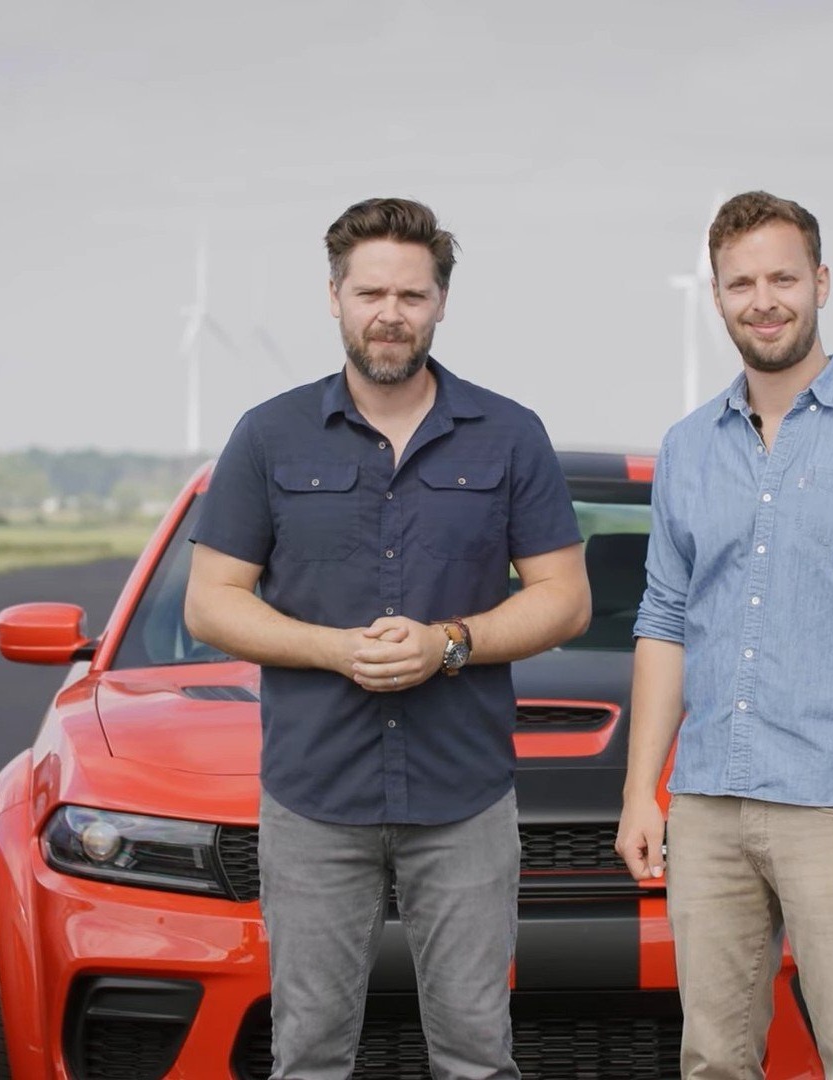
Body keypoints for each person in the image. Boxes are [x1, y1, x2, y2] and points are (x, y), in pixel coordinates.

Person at [185, 197, 591, 1080]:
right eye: (371, 291)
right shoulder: (268, 434)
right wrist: (337, 649)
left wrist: (451, 643)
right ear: (334, 296)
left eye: (412, 294)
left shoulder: (510, 434)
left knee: (478, 1057)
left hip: (465, 797)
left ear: (442, 302)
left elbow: (564, 598)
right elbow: (212, 602)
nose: (391, 313)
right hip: (313, 798)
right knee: (310, 1057)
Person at [615, 191, 833, 1080]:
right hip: (708, 804)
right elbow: (664, 622)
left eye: (782, 277)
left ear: (821, 282)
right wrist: (639, 792)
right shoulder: (688, 448)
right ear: (716, 296)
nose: (763, 299)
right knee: (712, 1060)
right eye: (741, 283)